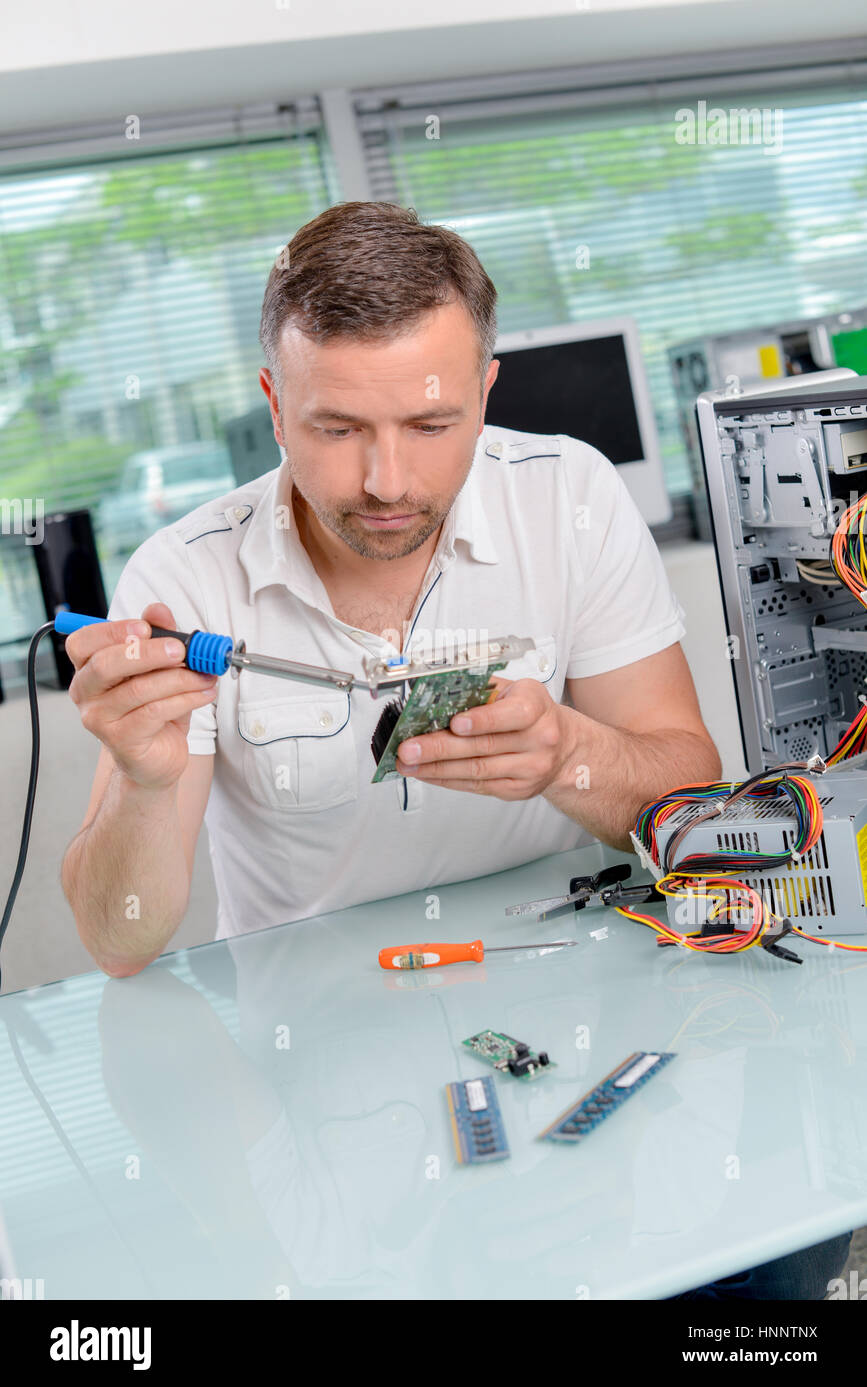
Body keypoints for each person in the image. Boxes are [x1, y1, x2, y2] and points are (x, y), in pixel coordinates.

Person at [61, 200, 719, 961]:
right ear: (276, 408)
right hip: (310, 1034)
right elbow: (118, 946)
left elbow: (694, 806)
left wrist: (568, 753)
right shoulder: (182, 576)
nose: (385, 483)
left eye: (430, 426)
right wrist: (141, 786)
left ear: (484, 396)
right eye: (338, 430)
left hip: (566, 974)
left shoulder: (570, 495)